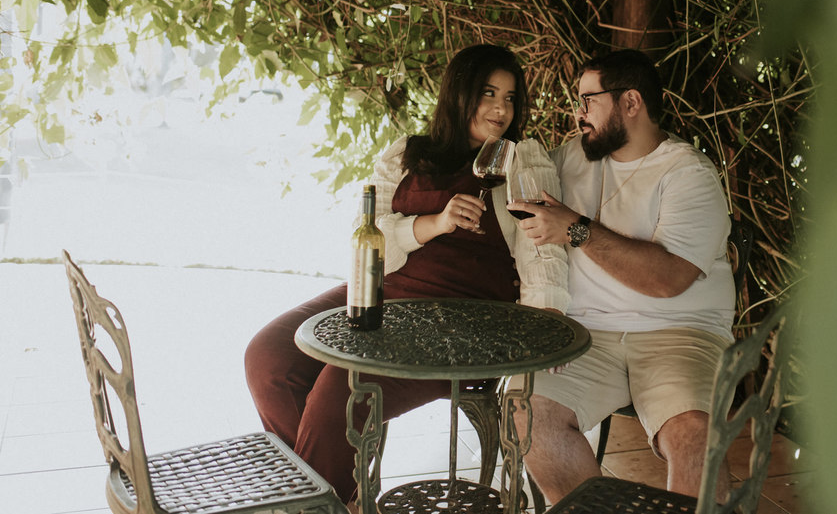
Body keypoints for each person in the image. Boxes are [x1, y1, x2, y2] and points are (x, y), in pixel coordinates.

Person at [244, 44, 569, 504]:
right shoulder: (408, 153)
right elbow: (369, 235)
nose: (501, 109)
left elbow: (544, 253)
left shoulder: (521, 161)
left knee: (340, 397)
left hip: (462, 319)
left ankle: (314, 502)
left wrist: (545, 324)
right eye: (488, 93)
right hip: (384, 290)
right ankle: (329, 496)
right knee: (269, 359)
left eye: (511, 98)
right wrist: (434, 223)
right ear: (459, 94)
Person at [509, 48, 736, 503]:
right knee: (523, 411)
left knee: (694, 436)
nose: (579, 114)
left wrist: (575, 229)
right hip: (587, 334)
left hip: (678, 331)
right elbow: (514, 195)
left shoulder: (687, 173)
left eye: (589, 100)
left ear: (630, 102)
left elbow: (669, 279)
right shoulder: (569, 159)